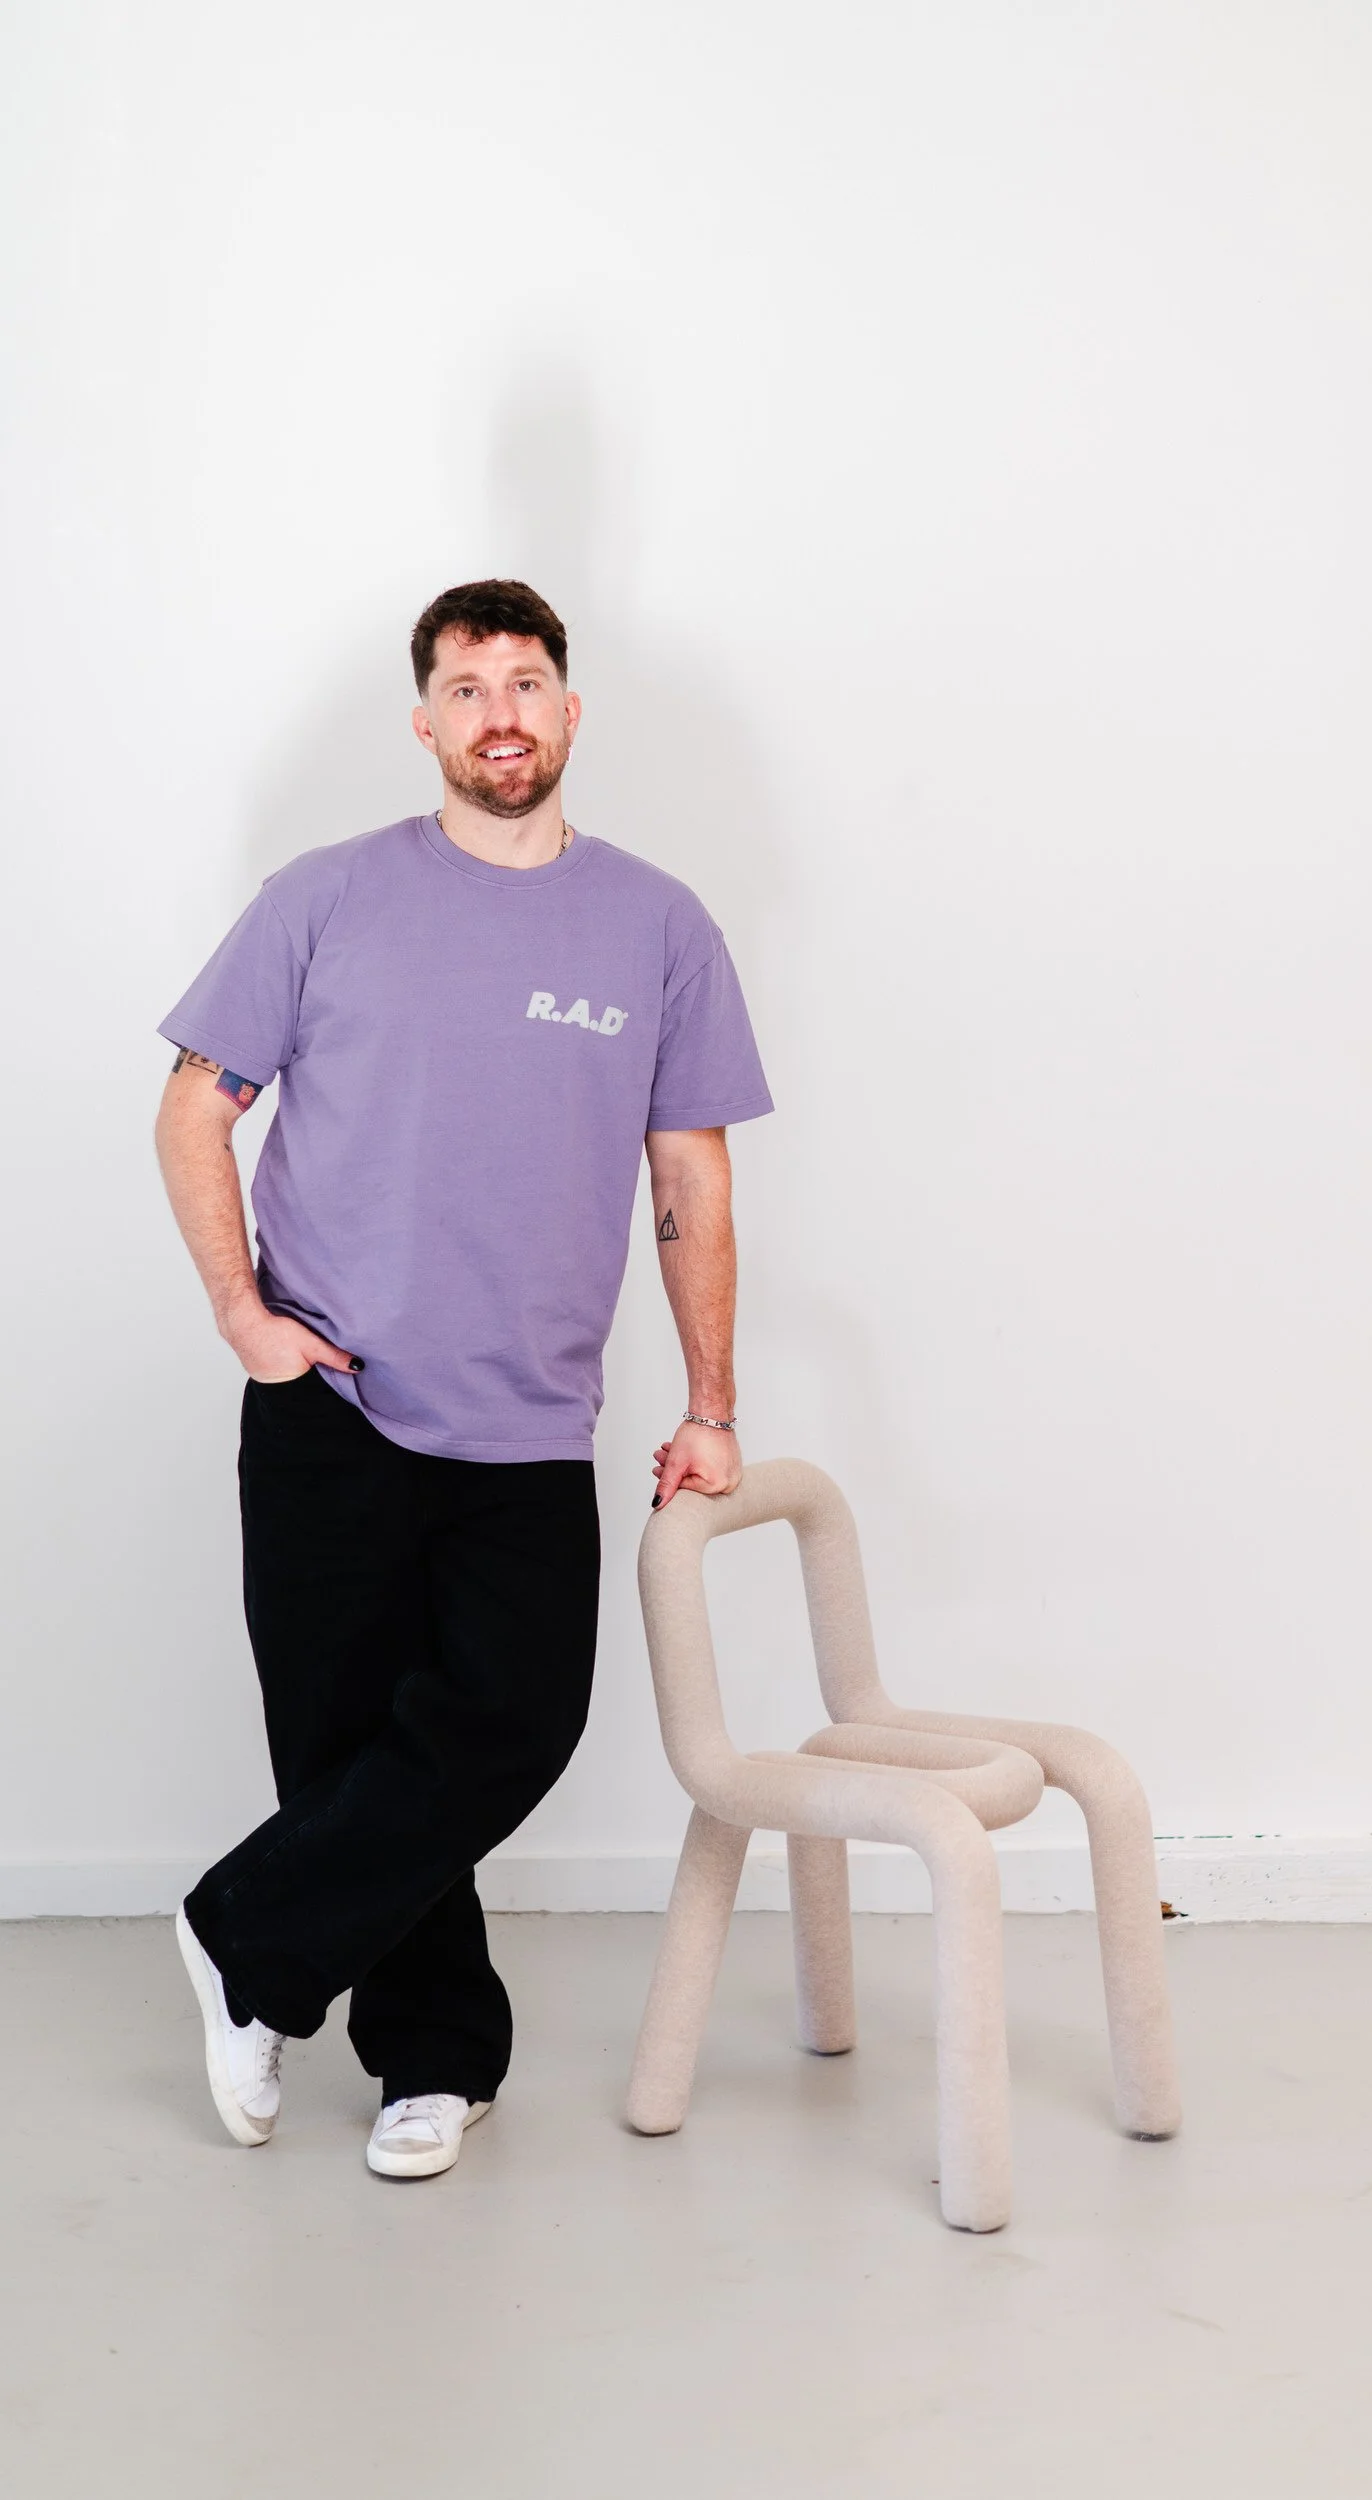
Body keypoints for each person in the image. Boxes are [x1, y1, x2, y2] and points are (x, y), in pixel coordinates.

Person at [154, 579, 772, 2178]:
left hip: (528, 1416)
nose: (500, 712)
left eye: (525, 681)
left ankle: (242, 1938)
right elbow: (195, 1106)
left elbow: (689, 1178)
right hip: (332, 1397)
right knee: (349, 1744)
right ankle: (432, 2061)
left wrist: (709, 1407)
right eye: (466, 686)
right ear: (424, 721)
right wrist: (242, 1316)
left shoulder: (657, 925)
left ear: (569, 710)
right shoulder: (324, 898)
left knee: (513, 1719)